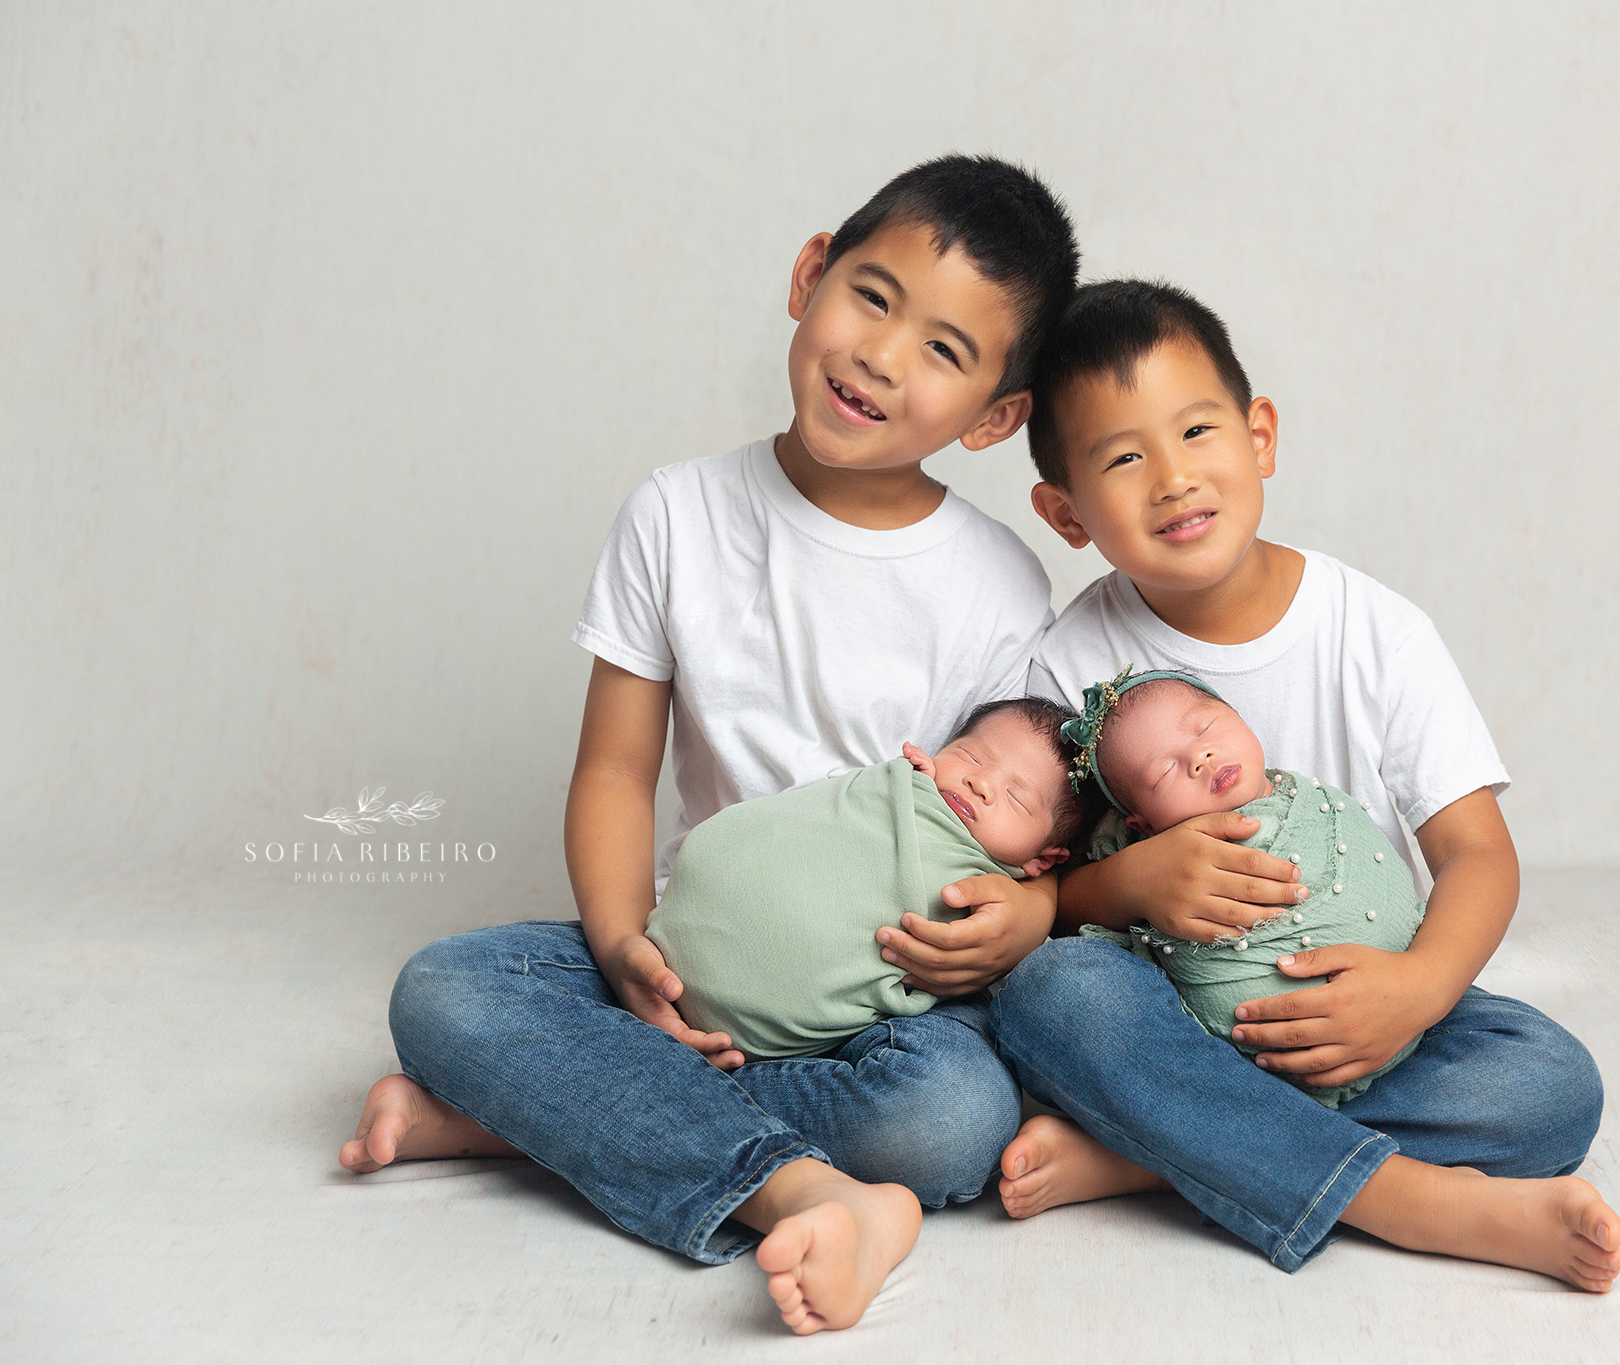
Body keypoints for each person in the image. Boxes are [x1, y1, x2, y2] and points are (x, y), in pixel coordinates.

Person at [337, 155, 1080, 1334]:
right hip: (691, 952)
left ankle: (511, 1122)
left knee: (946, 1120)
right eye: (871, 297)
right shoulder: (676, 514)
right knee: (449, 991)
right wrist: (622, 939)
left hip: (870, 997)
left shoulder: (994, 584)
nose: (881, 356)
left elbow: (1013, 817)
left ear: (995, 417)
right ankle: (815, 1192)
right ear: (808, 275)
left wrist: (1017, 922)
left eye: (943, 350)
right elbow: (616, 768)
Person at [993, 279, 1620, 1292]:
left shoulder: (1373, 632)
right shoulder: (1066, 671)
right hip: (1184, 1015)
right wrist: (1128, 886)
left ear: (1259, 438)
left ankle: (1150, 1155)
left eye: (1196, 431)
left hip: (1356, 1013)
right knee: (1046, 992)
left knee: (1551, 1088)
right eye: (1122, 456)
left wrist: (1415, 991)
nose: (1171, 479)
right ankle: (1406, 1201)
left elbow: (1476, 856)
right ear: (1063, 512)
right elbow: (1040, 899)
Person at [647, 698, 1098, 1061]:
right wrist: (907, 779)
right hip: (660, 928)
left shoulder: (996, 896)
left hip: (765, 1032)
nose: (980, 782)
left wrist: (1034, 909)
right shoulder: (900, 783)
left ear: (1044, 859)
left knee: (959, 1101)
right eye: (970, 756)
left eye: (1016, 798)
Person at [1060, 667, 1426, 1108]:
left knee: (1523, 1075)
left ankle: (1184, 1153)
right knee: (1059, 988)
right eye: (1162, 774)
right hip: (1238, 1072)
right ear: (1142, 825)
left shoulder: (1312, 795)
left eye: (1206, 727)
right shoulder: (1156, 859)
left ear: (1239, 715)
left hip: (1402, 1013)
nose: (1199, 757)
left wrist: (1428, 982)